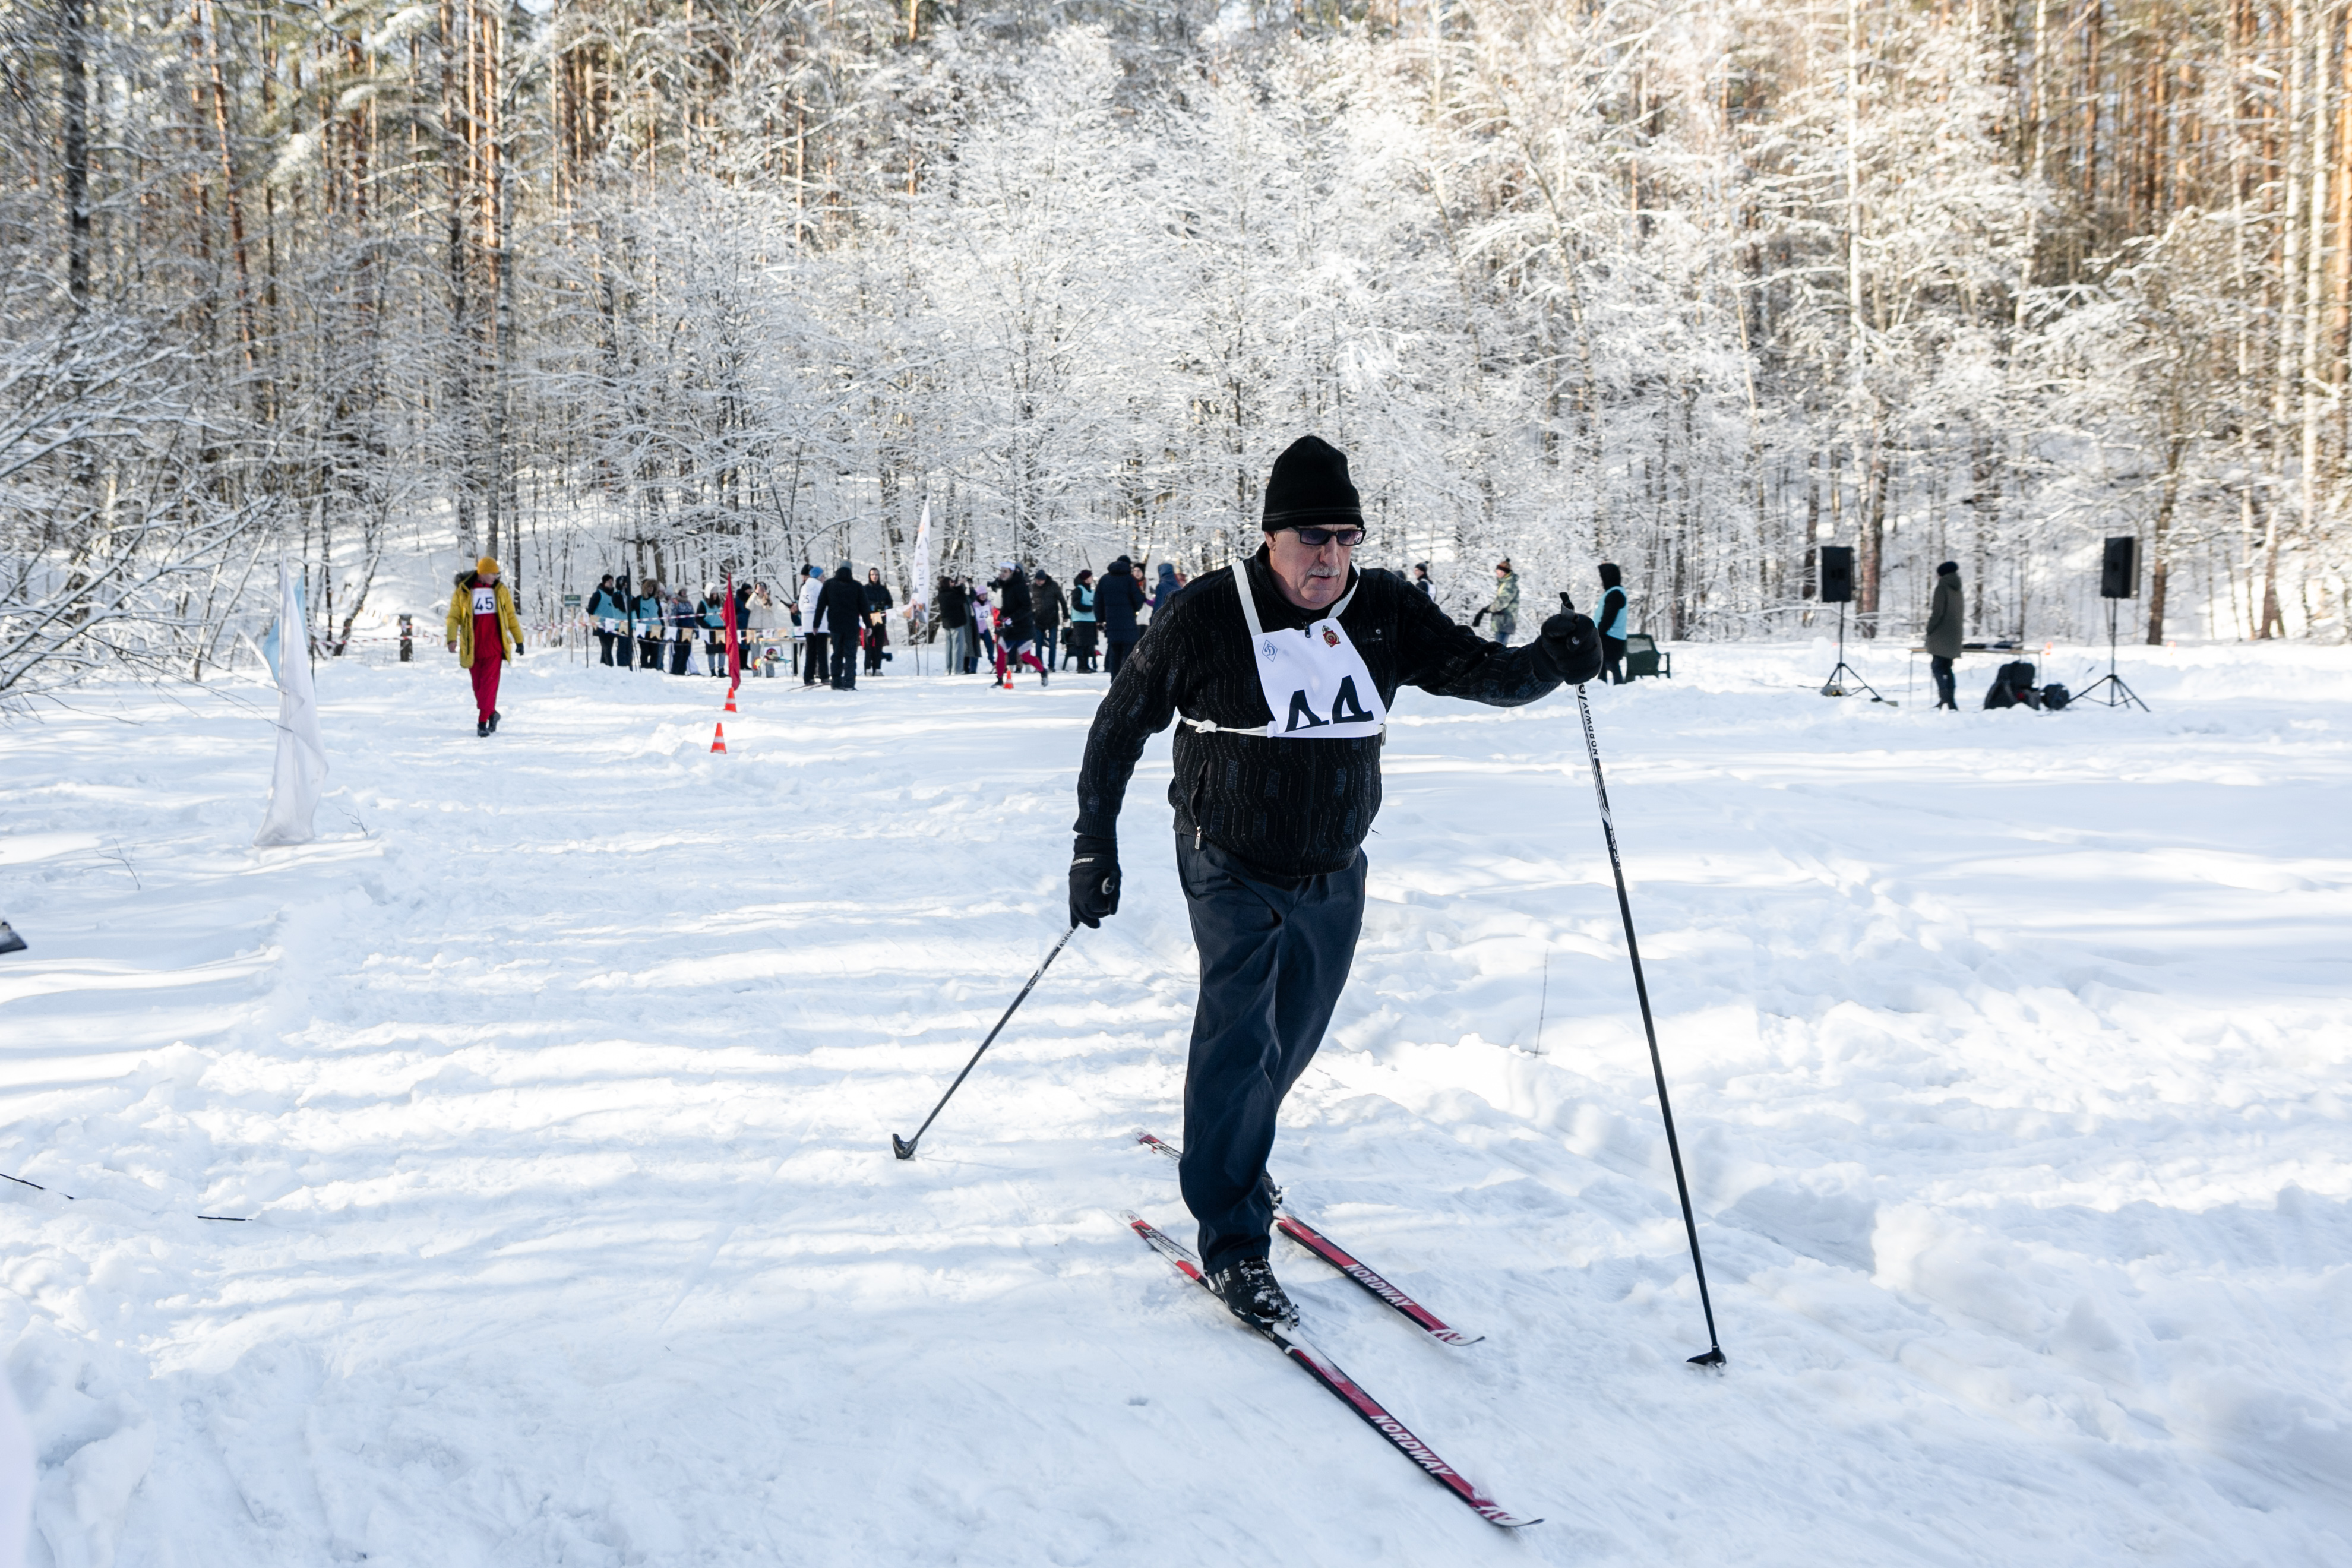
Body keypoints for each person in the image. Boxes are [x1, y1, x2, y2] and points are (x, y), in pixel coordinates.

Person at [1067, 435, 1599, 1327]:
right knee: (1240, 1039)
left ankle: (1239, 1149)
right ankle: (1235, 1243)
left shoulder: (1384, 606)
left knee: (1292, 1037)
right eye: (1311, 536)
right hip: (1228, 856)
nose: (1329, 556)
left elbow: (1484, 675)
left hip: (1333, 865)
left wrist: (1552, 660)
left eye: (1346, 537)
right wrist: (1095, 845)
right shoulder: (1208, 613)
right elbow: (1120, 725)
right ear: (1270, 536)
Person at [444, 554, 526, 737]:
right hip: (472, 647)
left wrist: (519, 640)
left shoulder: (500, 591)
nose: (495, 577)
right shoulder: (464, 591)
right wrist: (451, 639)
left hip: (495, 647)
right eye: (492, 574)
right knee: (479, 688)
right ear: (482, 574)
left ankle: (482, 723)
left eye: (496, 574)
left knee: (489, 687)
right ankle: (492, 714)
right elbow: (453, 617)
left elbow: (511, 617)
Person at [990, 561, 1049, 688]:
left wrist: (1012, 618)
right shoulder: (1006, 586)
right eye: (1001, 571)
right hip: (1010, 628)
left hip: (1024, 628)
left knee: (1025, 656)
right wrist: (1002, 617)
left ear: (1012, 572)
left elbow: (1027, 607)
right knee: (1001, 652)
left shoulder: (1021, 586)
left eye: (1005, 571)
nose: (1002, 574)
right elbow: (1007, 606)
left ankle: (1043, 671)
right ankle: (999, 680)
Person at [1096, 553, 1146, 676]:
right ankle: (1126, 680)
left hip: (1112, 624)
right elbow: (1138, 600)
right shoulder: (1130, 579)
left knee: (1115, 654)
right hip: (1128, 623)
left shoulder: (1104, 579)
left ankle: (1114, 680)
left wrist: (1100, 620)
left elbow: (1098, 602)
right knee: (1129, 654)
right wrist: (1134, 609)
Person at [818, 561, 867, 690]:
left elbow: (821, 605)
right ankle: (849, 683)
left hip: (835, 625)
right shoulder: (857, 586)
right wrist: (868, 625)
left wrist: (816, 624)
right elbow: (864, 607)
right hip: (851, 625)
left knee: (837, 654)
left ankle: (836, 682)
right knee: (850, 655)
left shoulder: (829, 584)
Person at [1925, 559, 1963, 710]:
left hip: (1941, 634)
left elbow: (1938, 612)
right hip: (1954, 633)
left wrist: (1930, 629)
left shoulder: (1942, 587)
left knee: (1938, 667)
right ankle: (1950, 701)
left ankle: (1945, 701)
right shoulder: (1957, 588)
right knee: (1947, 668)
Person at [1597, 562, 1629, 685]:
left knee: (1610, 664)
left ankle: (1616, 688)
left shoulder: (1615, 594)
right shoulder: (1615, 592)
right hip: (1613, 637)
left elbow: (1609, 617)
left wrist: (1599, 632)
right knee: (1606, 665)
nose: (1601, 581)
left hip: (1611, 637)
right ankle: (1605, 688)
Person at [1475, 558, 1520, 646]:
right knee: (1500, 646)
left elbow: (1502, 602)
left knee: (1500, 647)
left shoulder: (1509, 584)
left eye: (1499, 571)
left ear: (1505, 572)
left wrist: (1487, 610)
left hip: (1505, 621)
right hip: (1501, 620)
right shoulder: (1505, 583)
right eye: (1497, 571)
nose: (1497, 573)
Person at [799, 564, 829, 687]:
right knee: (822, 651)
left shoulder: (804, 587)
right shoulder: (820, 586)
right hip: (820, 623)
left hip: (807, 622)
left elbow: (801, 606)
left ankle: (808, 676)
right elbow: (825, 604)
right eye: (823, 576)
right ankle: (824, 676)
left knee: (810, 651)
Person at [589, 574, 629, 666]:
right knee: (607, 648)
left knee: (608, 648)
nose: (611, 583)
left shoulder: (615, 594)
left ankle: (604, 667)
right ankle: (610, 667)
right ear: (604, 583)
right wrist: (593, 620)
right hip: (601, 626)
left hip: (612, 626)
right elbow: (591, 609)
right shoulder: (598, 594)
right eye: (608, 581)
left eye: (612, 581)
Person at [1032, 567, 1066, 672]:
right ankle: (1039, 666)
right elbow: (1030, 603)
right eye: (1037, 580)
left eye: (1040, 581)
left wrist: (1066, 615)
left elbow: (1062, 600)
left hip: (1052, 619)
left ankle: (1051, 665)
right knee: (1038, 645)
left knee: (1052, 644)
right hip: (1039, 619)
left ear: (1045, 580)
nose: (1038, 582)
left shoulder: (1053, 586)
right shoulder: (1033, 587)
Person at [937, 575, 972, 674]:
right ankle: (956, 669)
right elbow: (963, 599)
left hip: (947, 623)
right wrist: (960, 586)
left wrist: (958, 586)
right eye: (951, 582)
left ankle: (949, 668)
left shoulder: (941, 594)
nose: (953, 584)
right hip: (956, 623)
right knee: (958, 646)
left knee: (949, 647)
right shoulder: (951, 594)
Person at [863, 567, 894, 675]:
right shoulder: (865, 589)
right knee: (868, 645)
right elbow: (862, 602)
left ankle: (877, 669)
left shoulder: (883, 589)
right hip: (869, 620)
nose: (875, 577)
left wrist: (885, 607)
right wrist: (871, 606)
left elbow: (890, 602)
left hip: (880, 619)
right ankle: (867, 669)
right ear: (869, 576)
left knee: (879, 645)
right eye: (873, 575)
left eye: (876, 574)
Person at [1067, 569, 1098, 671]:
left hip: (1091, 621)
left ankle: (1086, 665)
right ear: (1086, 578)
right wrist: (1090, 609)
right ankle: (1081, 666)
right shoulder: (1078, 590)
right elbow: (1076, 605)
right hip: (1080, 621)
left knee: (1088, 645)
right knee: (1081, 644)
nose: (1092, 578)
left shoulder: (1092, 591)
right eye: (1090, 577)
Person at [633, 578, 666, 669]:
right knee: (645, 652)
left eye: (652, 587)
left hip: (656, 629)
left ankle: (653, 670)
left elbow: (660, 614)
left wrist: (663, 628)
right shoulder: (638, 600)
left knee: (655, 652)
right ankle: (645, 669)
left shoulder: (655, 599)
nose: (651, 589)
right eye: (649, 587)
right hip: (643, 629)